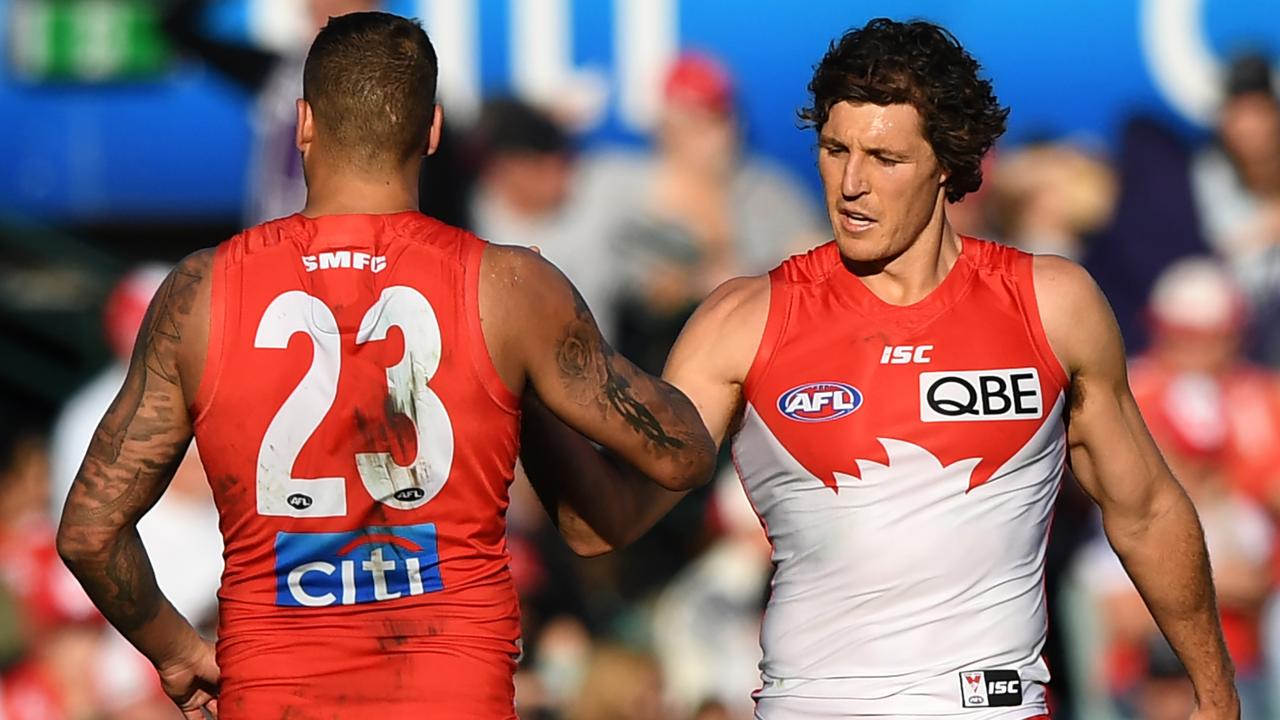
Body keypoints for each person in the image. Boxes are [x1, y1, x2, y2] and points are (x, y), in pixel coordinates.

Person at [521, 18, 1240, 719]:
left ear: (949, 165)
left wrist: (1215, 695)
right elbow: (601, 525)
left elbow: (1145, 509)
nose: (852, 184)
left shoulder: (1053, 305)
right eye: (836, 151)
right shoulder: (742, 320)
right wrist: (527, 390)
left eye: (885, 159)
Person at [56, 11, 715, 720]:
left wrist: (177, 650)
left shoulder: (201, 294)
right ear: (432, 131)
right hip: (451, 696)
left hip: (276, 696)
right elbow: (678, 456)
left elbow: (89, 533)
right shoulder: (509, 288)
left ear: (303, 124)